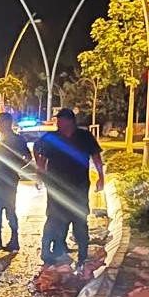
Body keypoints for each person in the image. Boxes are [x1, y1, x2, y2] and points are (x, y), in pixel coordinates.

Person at [34, 107, 104, 266]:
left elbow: (96, 157)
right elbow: (40, 154)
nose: (58, 122)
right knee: (54, 218)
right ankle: (48, 251)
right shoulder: (51, 138)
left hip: (79, 186)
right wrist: (40, 174)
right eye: (57, 120)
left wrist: (101, 177)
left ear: (70, 121)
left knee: (79, 219)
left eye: (61, 120)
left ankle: (83, 254)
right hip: (56, 187)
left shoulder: (84, 136)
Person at [0, 112, 32, 253]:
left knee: (10, 210)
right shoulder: (0, 139)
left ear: (7, 123)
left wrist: (16, 167)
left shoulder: (18, 140)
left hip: (9, 180)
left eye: (0, 121)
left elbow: (28, 157)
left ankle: (14, 239)